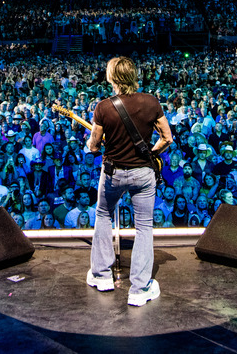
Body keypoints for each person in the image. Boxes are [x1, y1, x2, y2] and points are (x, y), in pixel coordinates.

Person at [86, 56, 173, 307]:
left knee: (103, 215)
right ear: (134, 75)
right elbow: (167, 138)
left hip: (113, 172)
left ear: (111, 77)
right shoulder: (151, 102)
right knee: (144, 226)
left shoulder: (103, 107)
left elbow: (94, 144)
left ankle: (102, 276)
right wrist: (151, 152)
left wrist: (92, 146)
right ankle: (139, 288)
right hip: (143, 174)